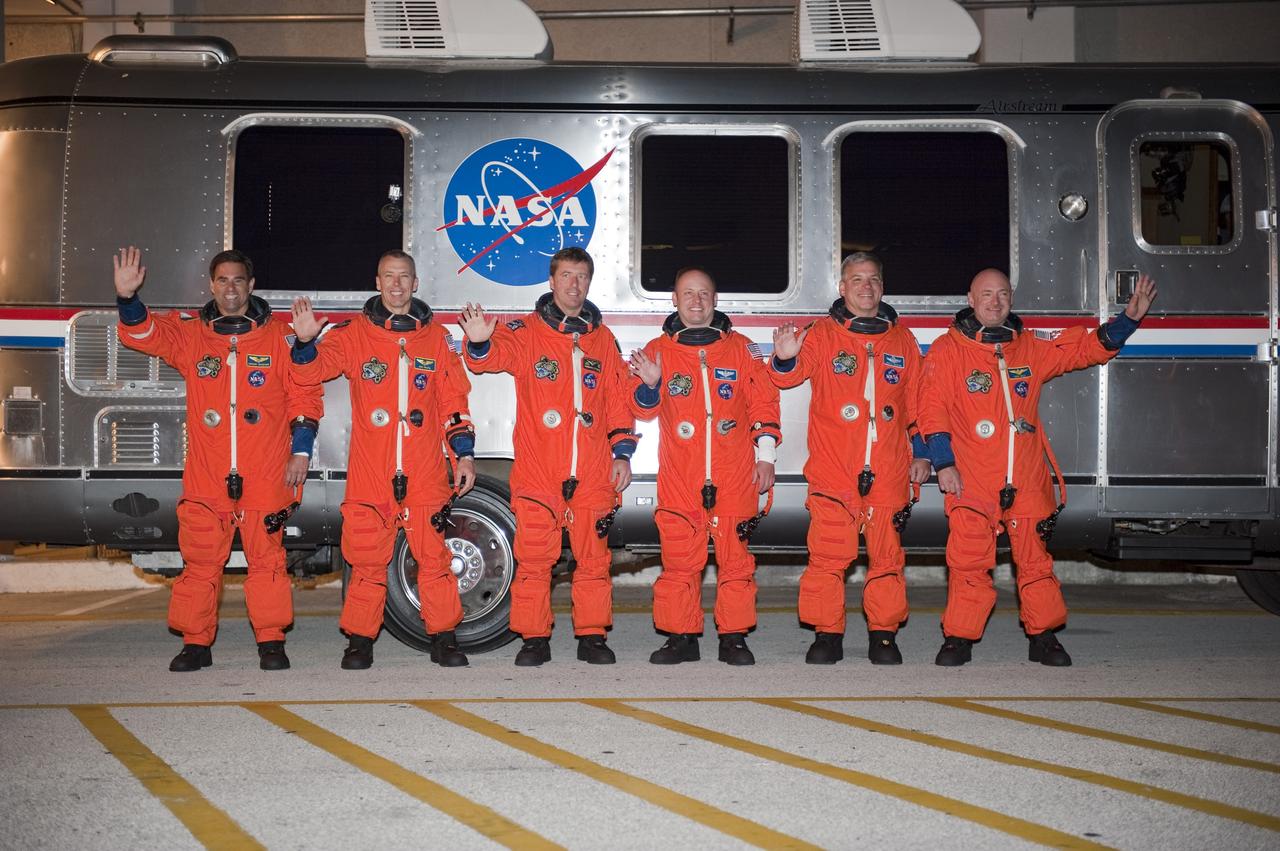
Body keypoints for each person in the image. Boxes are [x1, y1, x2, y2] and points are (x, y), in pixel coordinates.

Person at [920, 268, 1157, 666]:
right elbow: (931, 409)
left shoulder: (1028, 347)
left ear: (1011, 299)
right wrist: (944, 463)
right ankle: (959, 638)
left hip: (1026, 477)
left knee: (1035, 562)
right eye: (986, 294)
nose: (994, 302)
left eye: (1002, 295)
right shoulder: (948, 350)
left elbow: (1082, 349)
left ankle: (1043, 636)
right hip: (973, 477)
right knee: (968, 562)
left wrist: (1128, 320)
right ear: (970, 299)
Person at [113, 246, 321, 672]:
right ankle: (195, 643)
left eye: (238, 280)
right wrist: (128, 299)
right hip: (208, 474)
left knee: (267, 561)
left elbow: (305, 395)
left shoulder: (280, 338)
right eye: (222, 280)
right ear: (211, 285)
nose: (230, 288)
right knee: (202, 560)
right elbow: (143, 334)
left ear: (252, 285)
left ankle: (271, 641)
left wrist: (301, 450)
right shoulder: (193, 335)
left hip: (265, 470)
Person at [289, 250, 476, 670]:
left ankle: (444, 638)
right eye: (389, 277)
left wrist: (463, 455)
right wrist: (304, 344)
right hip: (372, 471)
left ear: (415, 283)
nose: (396, 285)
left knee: (434, 558)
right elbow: (311, 372)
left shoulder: (436, 339)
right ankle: (359, 641)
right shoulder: (355, 334)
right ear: (377, 282)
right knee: (367, 559)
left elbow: (454, 403)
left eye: (404, 277)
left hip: (424, 469)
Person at [458, 247, 637, 666]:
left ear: (588, 283)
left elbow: (617, 400)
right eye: (567, 276)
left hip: (592, 469)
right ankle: (533, 638)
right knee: (536, 559)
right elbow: (487, 358)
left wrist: (622, 452)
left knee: (593, 560)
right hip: (541, 469)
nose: (574, 285)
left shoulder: (602, 339)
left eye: (582, 278)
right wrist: (480, 342)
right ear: (552, 282)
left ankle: (592, 636)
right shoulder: (526, 331)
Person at [770, 252, 930, 665]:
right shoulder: (821, 334)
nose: (865, 287)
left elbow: (918, 405)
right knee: (828, 557)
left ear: (882, 286)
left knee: (887, 559)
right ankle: (827, 635)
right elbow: (787, 376)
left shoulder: (902, 340)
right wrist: (785, 355)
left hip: (890, 469)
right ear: (842, 288)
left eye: (873, 279)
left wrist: (923, 453)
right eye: (856, 280)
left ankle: (884, 635)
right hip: (835, 469)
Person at [628, 268, 781, 665]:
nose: (696, 301)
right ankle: (682, 638)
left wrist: (766, 456)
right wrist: (650, 385)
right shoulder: (657, 350)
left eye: (704, 293)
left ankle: (733, 637)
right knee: (679, 563)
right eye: (688, 293)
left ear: (715, 300)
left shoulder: (743, 349)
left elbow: (763, 404)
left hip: (734, 473)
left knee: (736, 563)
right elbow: (641, 412)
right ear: (675, 301)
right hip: (682, 476)